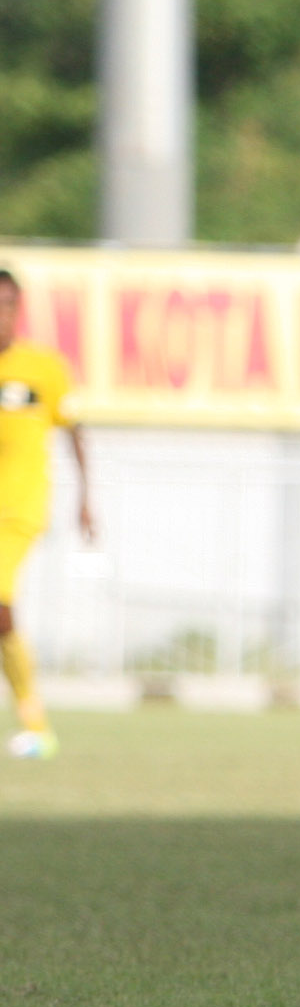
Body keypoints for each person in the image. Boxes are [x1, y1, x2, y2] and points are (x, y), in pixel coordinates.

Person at [0, 270, 94, 760]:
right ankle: (35, 722)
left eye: (7, 305)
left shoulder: (44, 369)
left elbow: (75, 430)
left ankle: (36, 725)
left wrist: (86, 499)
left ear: (19, 310)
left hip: (17, 513)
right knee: (3, 619)